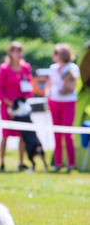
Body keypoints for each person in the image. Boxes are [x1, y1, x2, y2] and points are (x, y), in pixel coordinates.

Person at [0, 41, 33, 171]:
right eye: (15, 51)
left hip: (20, 107)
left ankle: (21, 162)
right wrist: (10, 104)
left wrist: (22, 102)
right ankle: (2, 162)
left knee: (22, 133)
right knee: (5, 134)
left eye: (20, 50)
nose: (18, 53)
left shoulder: (25, 67)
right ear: (10, 53)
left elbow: (28, 86)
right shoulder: (4, 68)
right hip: (7, 106)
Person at [45, 44, 80, 172]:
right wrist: (47, 97)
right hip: (55, 102)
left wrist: (61, 72)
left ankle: (71, 164)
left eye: (56, 53)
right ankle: (58, 163)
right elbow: (49, 84)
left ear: (62, 55)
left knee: (67, 133)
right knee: (57, 133)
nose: (54, 55)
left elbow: (71, 85)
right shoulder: (52, 68)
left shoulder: (72, 67)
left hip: (69, 102)